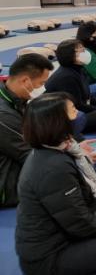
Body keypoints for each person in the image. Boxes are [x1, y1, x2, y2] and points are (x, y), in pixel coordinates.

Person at [15, 93, 96, 275]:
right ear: (57, 122)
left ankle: (93, 236)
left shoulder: (58, 148)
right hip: (49, 256)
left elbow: (84, 195)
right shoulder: (53, 167)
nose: (79, 115)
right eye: (73, 111)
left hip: (64, 225)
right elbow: (76, 220)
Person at [0, 54, 54, 208]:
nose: (43, 88)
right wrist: (74, 157)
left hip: (16, 163)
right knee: (67, 180)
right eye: (41, 83)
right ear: (25, 81)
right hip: (6, 186)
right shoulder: (3, 115)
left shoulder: (16, 99)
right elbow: (29, 154)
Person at [45, 40, 96, 132]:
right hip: (64, 117)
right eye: (80, 50)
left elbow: (87, 96)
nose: (84, 52)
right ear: (70, 55)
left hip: (78, 107)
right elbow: (77, 106)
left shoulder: (79, 69)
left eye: (83, 49)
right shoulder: (66, 77)